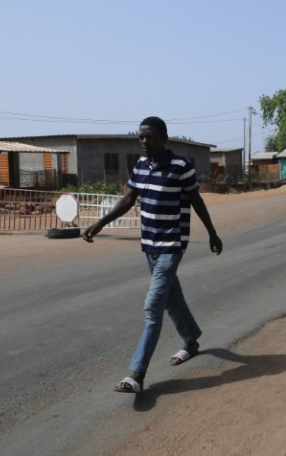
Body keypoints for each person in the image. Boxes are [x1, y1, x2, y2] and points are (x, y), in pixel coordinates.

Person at [82, 116, 223, 394]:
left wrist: (212, 233)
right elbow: (128, 199)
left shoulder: (181, 166)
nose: (144, 142)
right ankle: (191, 340)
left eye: (150, 137)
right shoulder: (141, 166)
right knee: (172, 297)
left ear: (164, 138)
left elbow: (197, 201)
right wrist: (100, 223)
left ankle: (137, 374)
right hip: (149, 244)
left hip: (172, 244)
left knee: (153, 307)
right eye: (141, 137)